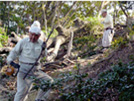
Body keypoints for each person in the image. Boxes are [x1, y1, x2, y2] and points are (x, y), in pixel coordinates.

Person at [6, 21, 54, 101]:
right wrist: (11, 62)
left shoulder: (41, 43)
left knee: (49, 82)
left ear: (39, 35)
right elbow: (14, 52)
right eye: (31, 34)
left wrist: (44, 48)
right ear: (29, 33)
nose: (33, 37)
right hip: (23, 69)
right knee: (22, 92)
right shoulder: (23, 42)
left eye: (36, 36)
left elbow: (44, 55)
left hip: (36, 70)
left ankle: (39, 99)